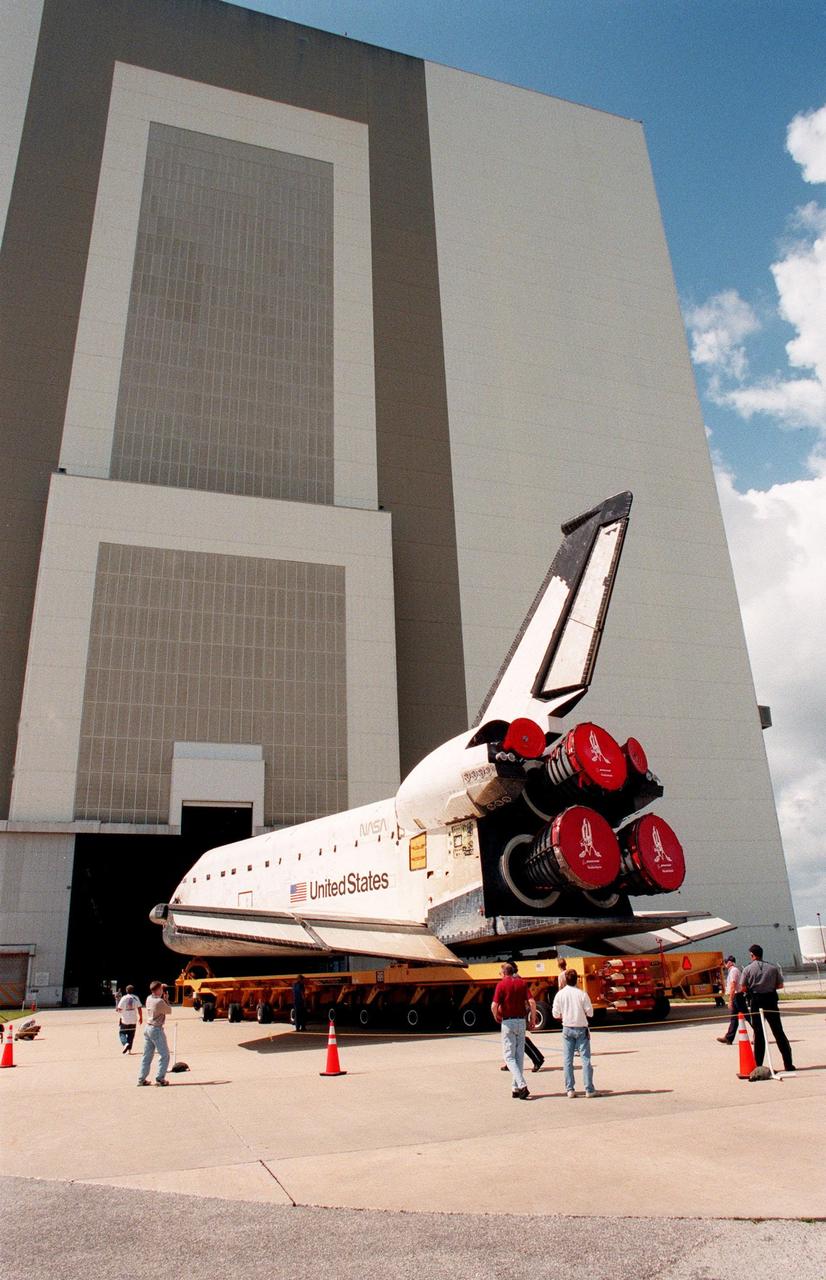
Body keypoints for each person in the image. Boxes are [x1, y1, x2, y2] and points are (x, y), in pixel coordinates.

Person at [739, 944, 794, 1072]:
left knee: (758, 1033)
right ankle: (788, 1063)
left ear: (752, 955)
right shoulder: (773, 968)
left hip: (756, 1001)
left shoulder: (747, 969)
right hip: (771, 1000)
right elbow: (780, 985)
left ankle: (758, 1065)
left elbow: (743, 987)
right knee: (778, 1031)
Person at [491, 961, 537, 1099]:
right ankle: (515, 1088)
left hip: (508, 1022)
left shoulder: (501, 984)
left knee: (508, 1057)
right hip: (521, 1021)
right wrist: (532, 1019)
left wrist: (496, 1017)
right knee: (519, 1056)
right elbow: (532, 1002)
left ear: (504, 973)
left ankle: (522, 1085)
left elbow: (494, 1005)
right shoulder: (522, 983)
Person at [552, 969, 596, 1098]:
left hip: (567, 1027)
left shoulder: (560, 995)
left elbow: (555, 1013)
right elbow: (590, 1013)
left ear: (565, 979)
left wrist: (564, 1015)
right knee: (586, 1060)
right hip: (581, 1028)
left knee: (567, 1060)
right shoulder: (582, 994)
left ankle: (570, 1089)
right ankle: (589, 1089)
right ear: (577, 979)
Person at [498, 962, 544, 1073]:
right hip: (516, 1013)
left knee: (520, 1041)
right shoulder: (517, 978)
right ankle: (511, 1062)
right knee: (515, 1040)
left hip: (514, 1013)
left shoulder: (513, 979)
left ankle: (537, 1058)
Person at [138, 980, 172, 1086]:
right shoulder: (159, 1002)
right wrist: (166, 1000)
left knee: (147, 1055)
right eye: (161, 989)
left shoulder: (149, 998)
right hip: (156, 1029)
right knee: (165, 1055)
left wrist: (161, 989)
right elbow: (169, 1010)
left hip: (148, 1028)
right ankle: (160, 1078)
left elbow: (157, 991)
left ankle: (141, 1078)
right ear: (158, 990)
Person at [716, 956, 746, 1044]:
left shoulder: (733, 971)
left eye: (725, 962)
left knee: (747, 1016)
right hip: (736, 996)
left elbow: (733, 986)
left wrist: (730, 1000)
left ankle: (758, 1033)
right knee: (734, 1018)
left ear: (730, 962)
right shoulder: (733, 971)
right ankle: (729, 1038)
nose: (725, 965)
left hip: (737, 997)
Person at [116, 984, 143, 1054]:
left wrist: (118, 1009)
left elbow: (119, 1009)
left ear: (126, 990)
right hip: (133, 1020)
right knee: (131, 1035)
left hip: (125, 1020)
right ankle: (129, 1050)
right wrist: (141, 1017)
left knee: (122, 1033)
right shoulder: (136, 998)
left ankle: (125, 1043)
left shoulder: (124, 998)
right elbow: (139, 1008)